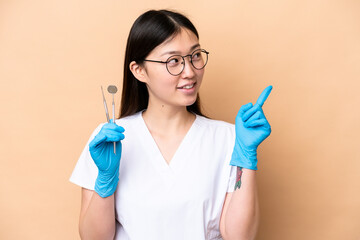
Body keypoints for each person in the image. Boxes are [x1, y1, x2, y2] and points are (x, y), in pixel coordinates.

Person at [70, 9, 272, 240]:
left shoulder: (228, 138)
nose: (190, 72)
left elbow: (240, 237)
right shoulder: (110, 139)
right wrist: (105, 180)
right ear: (139, 70)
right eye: (173, 61)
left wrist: (246, 157)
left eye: (195, 56)